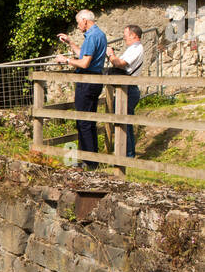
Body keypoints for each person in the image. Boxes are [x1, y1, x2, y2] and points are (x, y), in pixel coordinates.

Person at [55, 10, 108, 169]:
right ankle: (92, 159)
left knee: (83, 121)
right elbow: (84, 55)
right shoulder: (99, 34)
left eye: (78, 23)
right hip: (95, 80)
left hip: (87, 81)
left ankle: (88, 162)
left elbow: (84, 63)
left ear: (85, 21)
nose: (78, 26)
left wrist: (66, 60)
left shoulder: (92, 36)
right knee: (89, 120)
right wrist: (70, 43)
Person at [107, 24, 144, 158]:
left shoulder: (136, 48)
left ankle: (127, 155)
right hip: (127, 88)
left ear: (134, 35)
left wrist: (111, 55)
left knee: (124, 124)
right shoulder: (133, 48)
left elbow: (120, 63)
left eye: (126, 35)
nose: (124, 37)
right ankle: (126, 154)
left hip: (129, 89)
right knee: (123, 123)